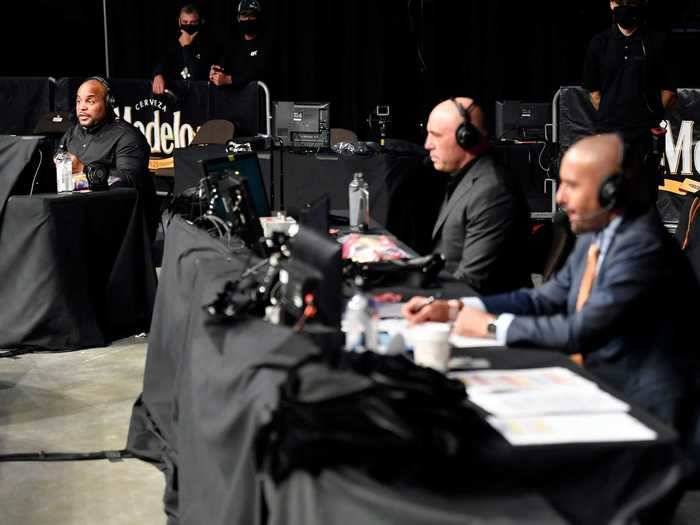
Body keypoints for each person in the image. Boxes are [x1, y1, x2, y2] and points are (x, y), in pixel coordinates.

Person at [404, 133, 699, 431]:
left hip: (647, 409)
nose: (559, 197)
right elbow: (544, 299)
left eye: (571, 185)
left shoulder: (643, 247)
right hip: (602, 385)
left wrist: (488, 325)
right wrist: (455, 308)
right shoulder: (597, 234)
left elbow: (578, 330)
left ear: (612, 192)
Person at [424, 97, 531, 294]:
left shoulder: (493, 191)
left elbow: (470, 282)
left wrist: (414, 295)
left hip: (480, 307)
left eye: (435, 135)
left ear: (465, 137)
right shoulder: (466, 176)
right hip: (450, 291)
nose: (427, 144)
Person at [583, 0, 677, 203]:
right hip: (609, 133)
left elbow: (669, 90)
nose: (624, 7)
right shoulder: (600, 42)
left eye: (630, 2)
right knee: (608, 196)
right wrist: (611, 116)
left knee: (643, 196)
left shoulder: (656, 41)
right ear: (611, 4)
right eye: (620, 2)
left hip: (643, 136)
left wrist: (652, 118)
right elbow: (594, 92)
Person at [60, 77, 158, 240]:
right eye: (78, 101)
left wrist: (83, 170)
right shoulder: (72, 133)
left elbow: (130, 181)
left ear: (108, 103)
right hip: (79, 214)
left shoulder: (127, 136)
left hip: (120, 226)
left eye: (90, 101)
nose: (82, 107)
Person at [152, 3, 214, 95]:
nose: (188, 26)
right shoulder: (172, 42)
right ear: (179, 21)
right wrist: (158, 74)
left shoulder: (208, 44)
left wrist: (187, 47)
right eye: (185, 22)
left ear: (200, 22)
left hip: (199, 96)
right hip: (174, 96)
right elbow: (163, 61)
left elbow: (196, 76)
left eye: (193, 23)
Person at [209, 0, 270, 89]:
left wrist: (228, 79)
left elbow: (259, 72)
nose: (248, 19)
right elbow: (223, 68)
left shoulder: (267, 43)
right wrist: (215, 74)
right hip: (234, 100)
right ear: (238, 18)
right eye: (244, 15)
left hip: (258, 100)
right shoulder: (233, 45)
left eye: (252, 15)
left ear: (258, 17)